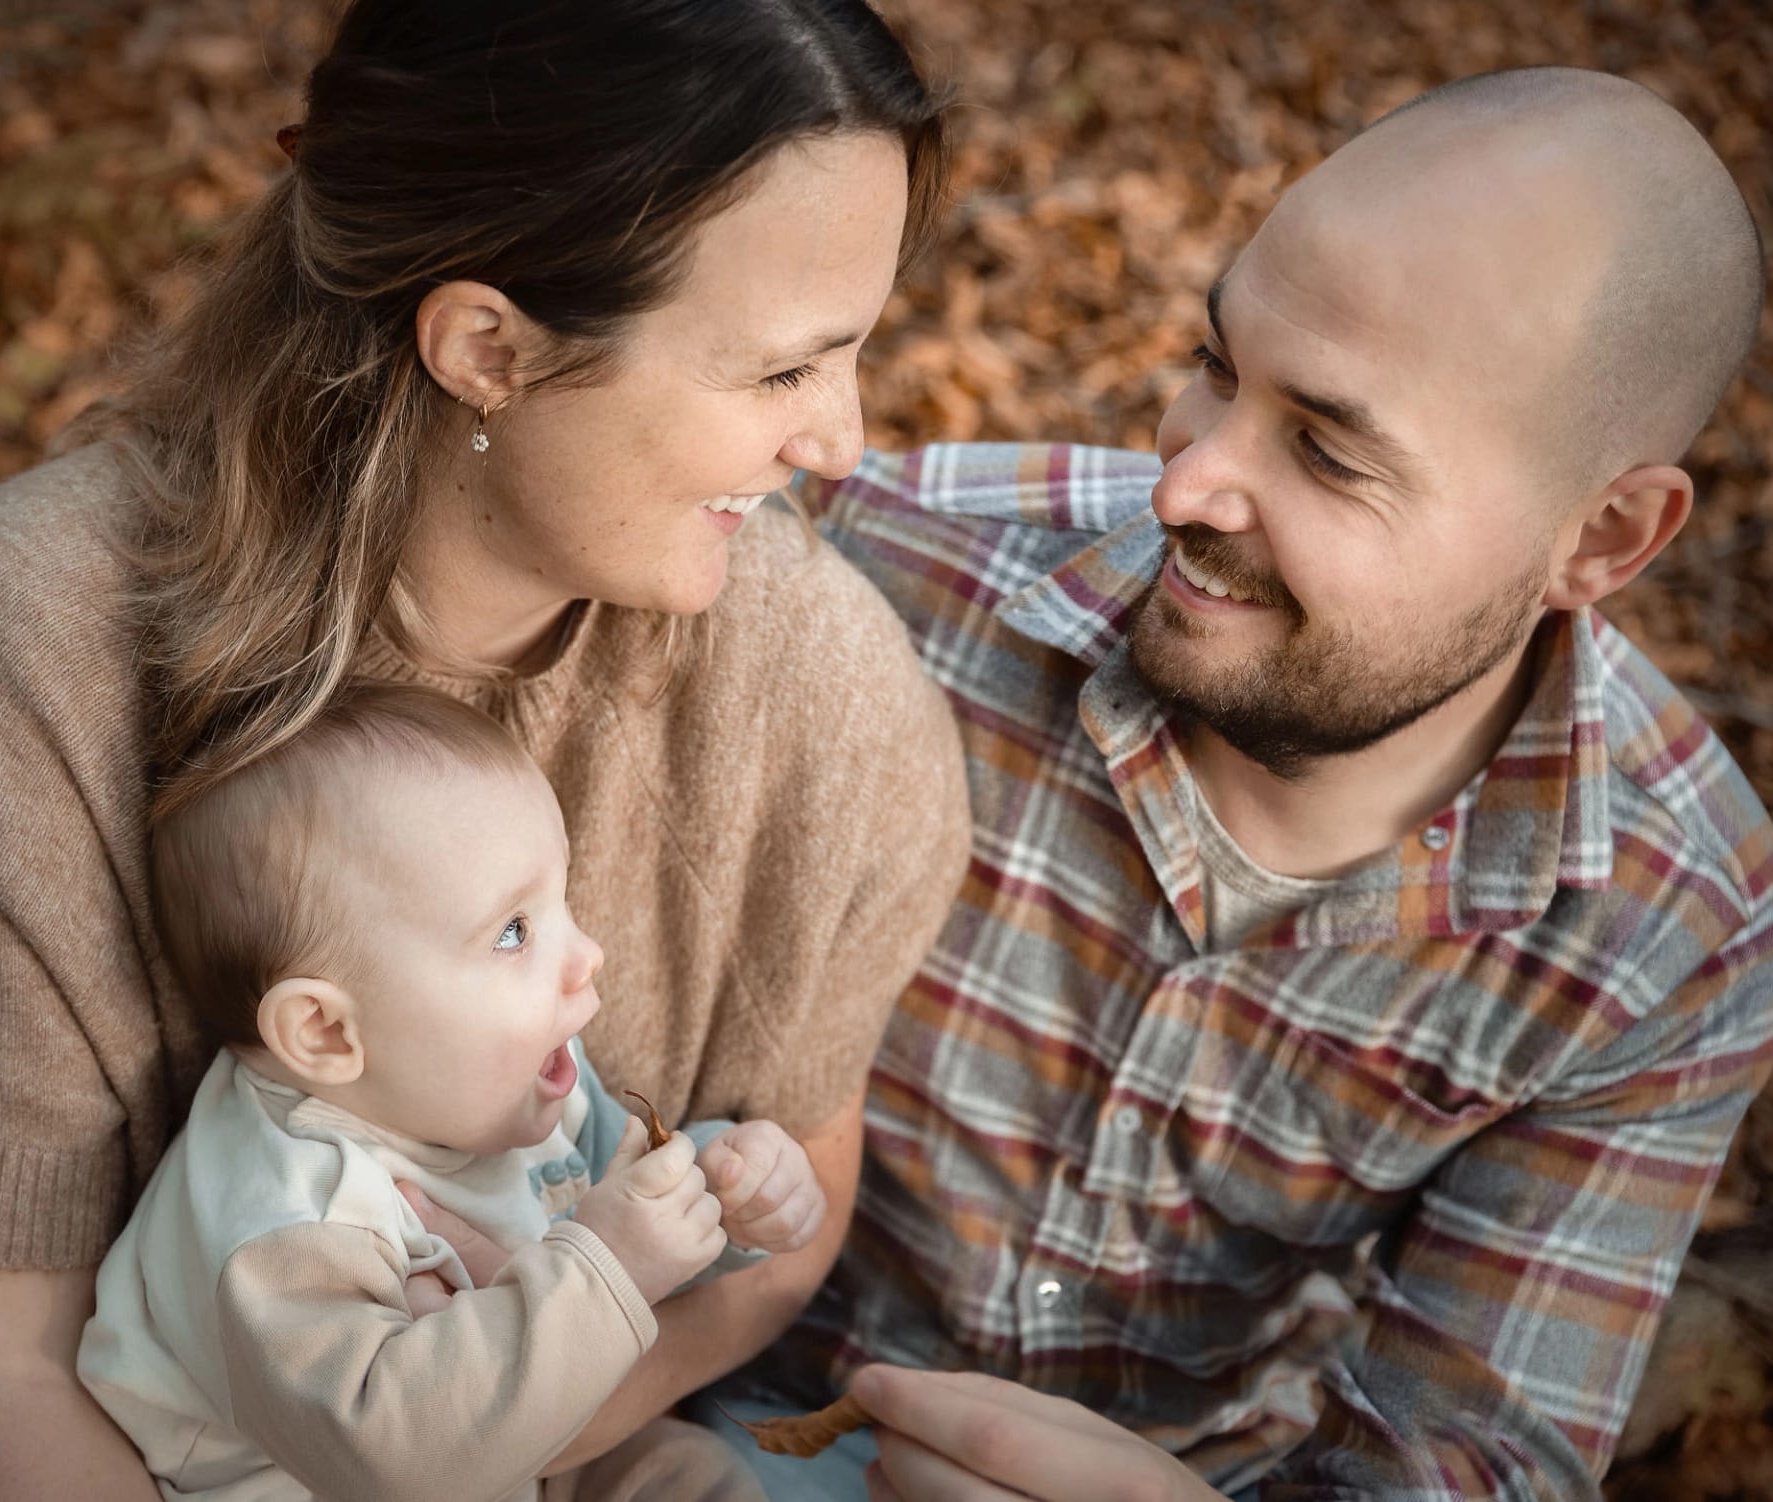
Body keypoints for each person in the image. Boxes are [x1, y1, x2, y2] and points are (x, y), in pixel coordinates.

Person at [0, 1, 971, 1497]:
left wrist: (461, 1433)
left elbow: (785, 1219)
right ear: (488, 348)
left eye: (855, 354)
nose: (841, 440)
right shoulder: (25, 650)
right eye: (781, 372)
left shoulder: (827, 694)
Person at [703, 66, 1773, 1500]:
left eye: (1328, 450)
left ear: (1603, 538)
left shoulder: (1670, 915)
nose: (1186, 486)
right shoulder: (882, 567)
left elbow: (1462, 1457)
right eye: (1216, 367)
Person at [80, 681, 827, 1501]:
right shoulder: (288, 1216)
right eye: (514, 932)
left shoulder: (515, 1084)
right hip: (305, 1487)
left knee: (691, 1477)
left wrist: (726, 1189)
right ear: (328, 1033)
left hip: (534, 1446)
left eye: (560, 904)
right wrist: (606, 1262)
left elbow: (629, 1211)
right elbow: (393, 1456)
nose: (588, 955)